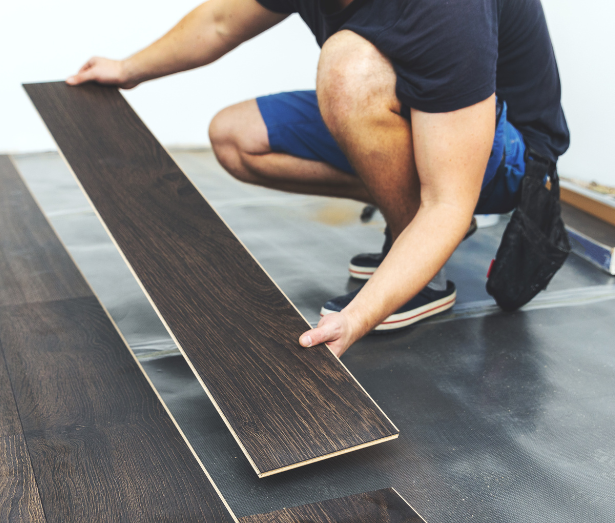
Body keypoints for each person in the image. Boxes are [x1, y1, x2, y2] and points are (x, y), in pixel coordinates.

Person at [67, 0, 569, 356]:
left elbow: (447, 204)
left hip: (509, 157)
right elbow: (220, 21)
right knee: (235, 136)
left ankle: (422, 278)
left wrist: (359, 316)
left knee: (348, 68)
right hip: (422, 118)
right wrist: (128, 69)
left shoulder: (445, 10)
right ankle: (413, 237)